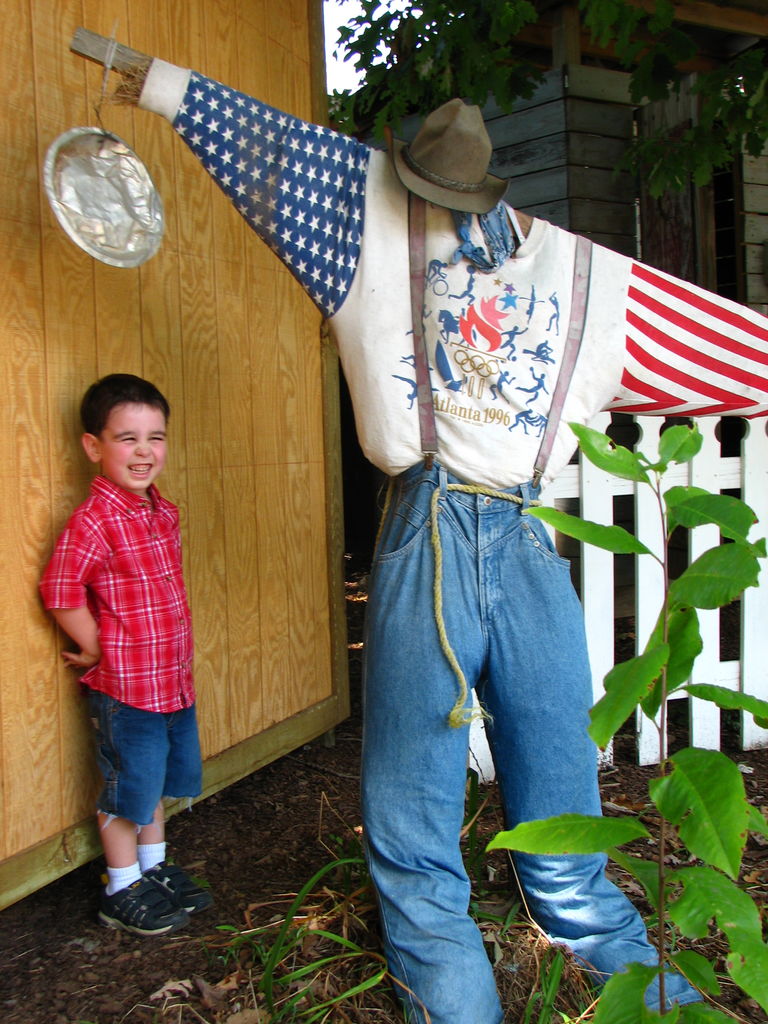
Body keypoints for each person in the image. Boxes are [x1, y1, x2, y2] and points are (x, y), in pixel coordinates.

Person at [81, 44, 768, 1021]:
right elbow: (729, 343)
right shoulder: (586, 275)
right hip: (531, 545)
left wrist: (147, 79)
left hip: (431, 537)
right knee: (560, 777)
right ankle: (647, 987)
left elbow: (263, 147)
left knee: (413, 811)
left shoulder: (359, 222)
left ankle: (458, 999)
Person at [40, 373, 213, 937]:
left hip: (170, 683)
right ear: (94, 446)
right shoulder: (94, 520)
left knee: (155, 782)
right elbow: (60, 588)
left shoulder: (162, 512)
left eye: (155, 437)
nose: (144, 452)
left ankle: (153, 869)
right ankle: (120, 888)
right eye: (127, 438)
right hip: (126, 690)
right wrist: (91, 645)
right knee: (125, 794)